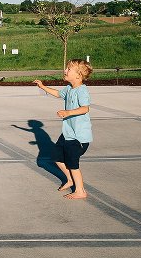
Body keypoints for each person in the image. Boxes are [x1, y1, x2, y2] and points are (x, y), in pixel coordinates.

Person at [33, 59, 93, 200]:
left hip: (78, 136)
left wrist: (68, 112)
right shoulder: (69, 89)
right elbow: (58, 93)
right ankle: (70, 179)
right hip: (67, 133)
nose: (65, 71)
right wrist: (43, 86)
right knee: (56, 156)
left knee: (73, 163)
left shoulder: (82, 90)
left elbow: (85, 108)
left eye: (68, 69)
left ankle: (80, 191)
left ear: (78, 75)